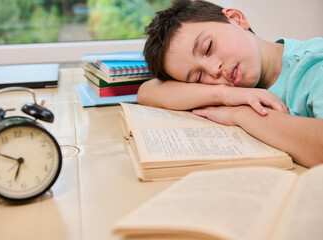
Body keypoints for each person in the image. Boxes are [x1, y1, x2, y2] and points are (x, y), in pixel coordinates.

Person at [137, 0, 323, 168]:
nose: (213, 70)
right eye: (199, 77)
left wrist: (240, 114)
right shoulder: (237, 89)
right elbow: (147, 91)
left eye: (208, 47)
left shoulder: (315, 65)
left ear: (235, 18)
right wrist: (223, 94)